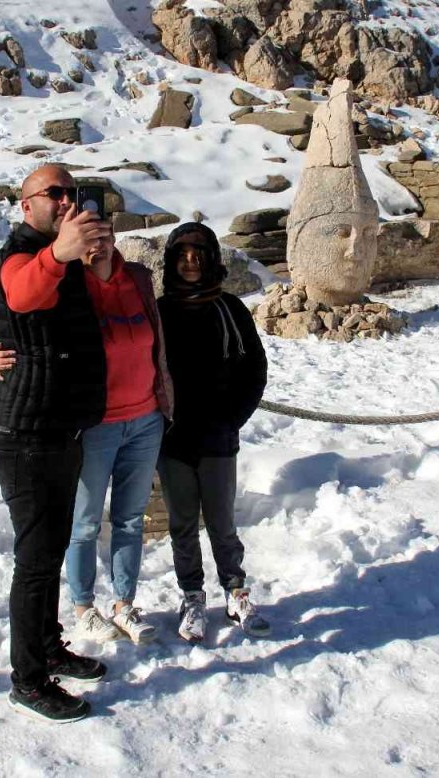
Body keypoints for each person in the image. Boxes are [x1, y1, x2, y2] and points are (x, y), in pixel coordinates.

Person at [0, 179, 173, 651]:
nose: (98, 244)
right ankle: (83, 606)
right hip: (94, 420)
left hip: (145, 417)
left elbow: (158, 338)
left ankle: (124, 602)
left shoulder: (138, 280)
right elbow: (25, 315)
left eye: (104, 236)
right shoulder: (70, 282)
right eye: (91, 239)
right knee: (85, 522)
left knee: (129, 519)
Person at [0, 163, 116, 723]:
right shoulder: (22, 253)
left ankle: (47, 646)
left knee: (51, 552)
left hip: (60, 427)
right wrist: (61, 253)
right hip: (26, 434)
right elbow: (20, 295)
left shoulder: (65, 256)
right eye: (53, 193)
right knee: (35, 563)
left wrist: (99, 261)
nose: (66, 201)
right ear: (27, 206)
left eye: (72, 191)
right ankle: (28, 679)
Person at [155, 222, 270, 643]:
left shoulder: (230, 309)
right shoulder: (160, 311)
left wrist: (232, 418)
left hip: (219, 436)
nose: (190, 262)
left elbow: (254, 368)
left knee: (222, 523)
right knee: (183, 524)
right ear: (171, 261)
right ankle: (191, 595)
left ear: (211, 260)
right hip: (173, 440)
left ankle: (236, 590)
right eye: (182, 255)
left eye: (198, 255)